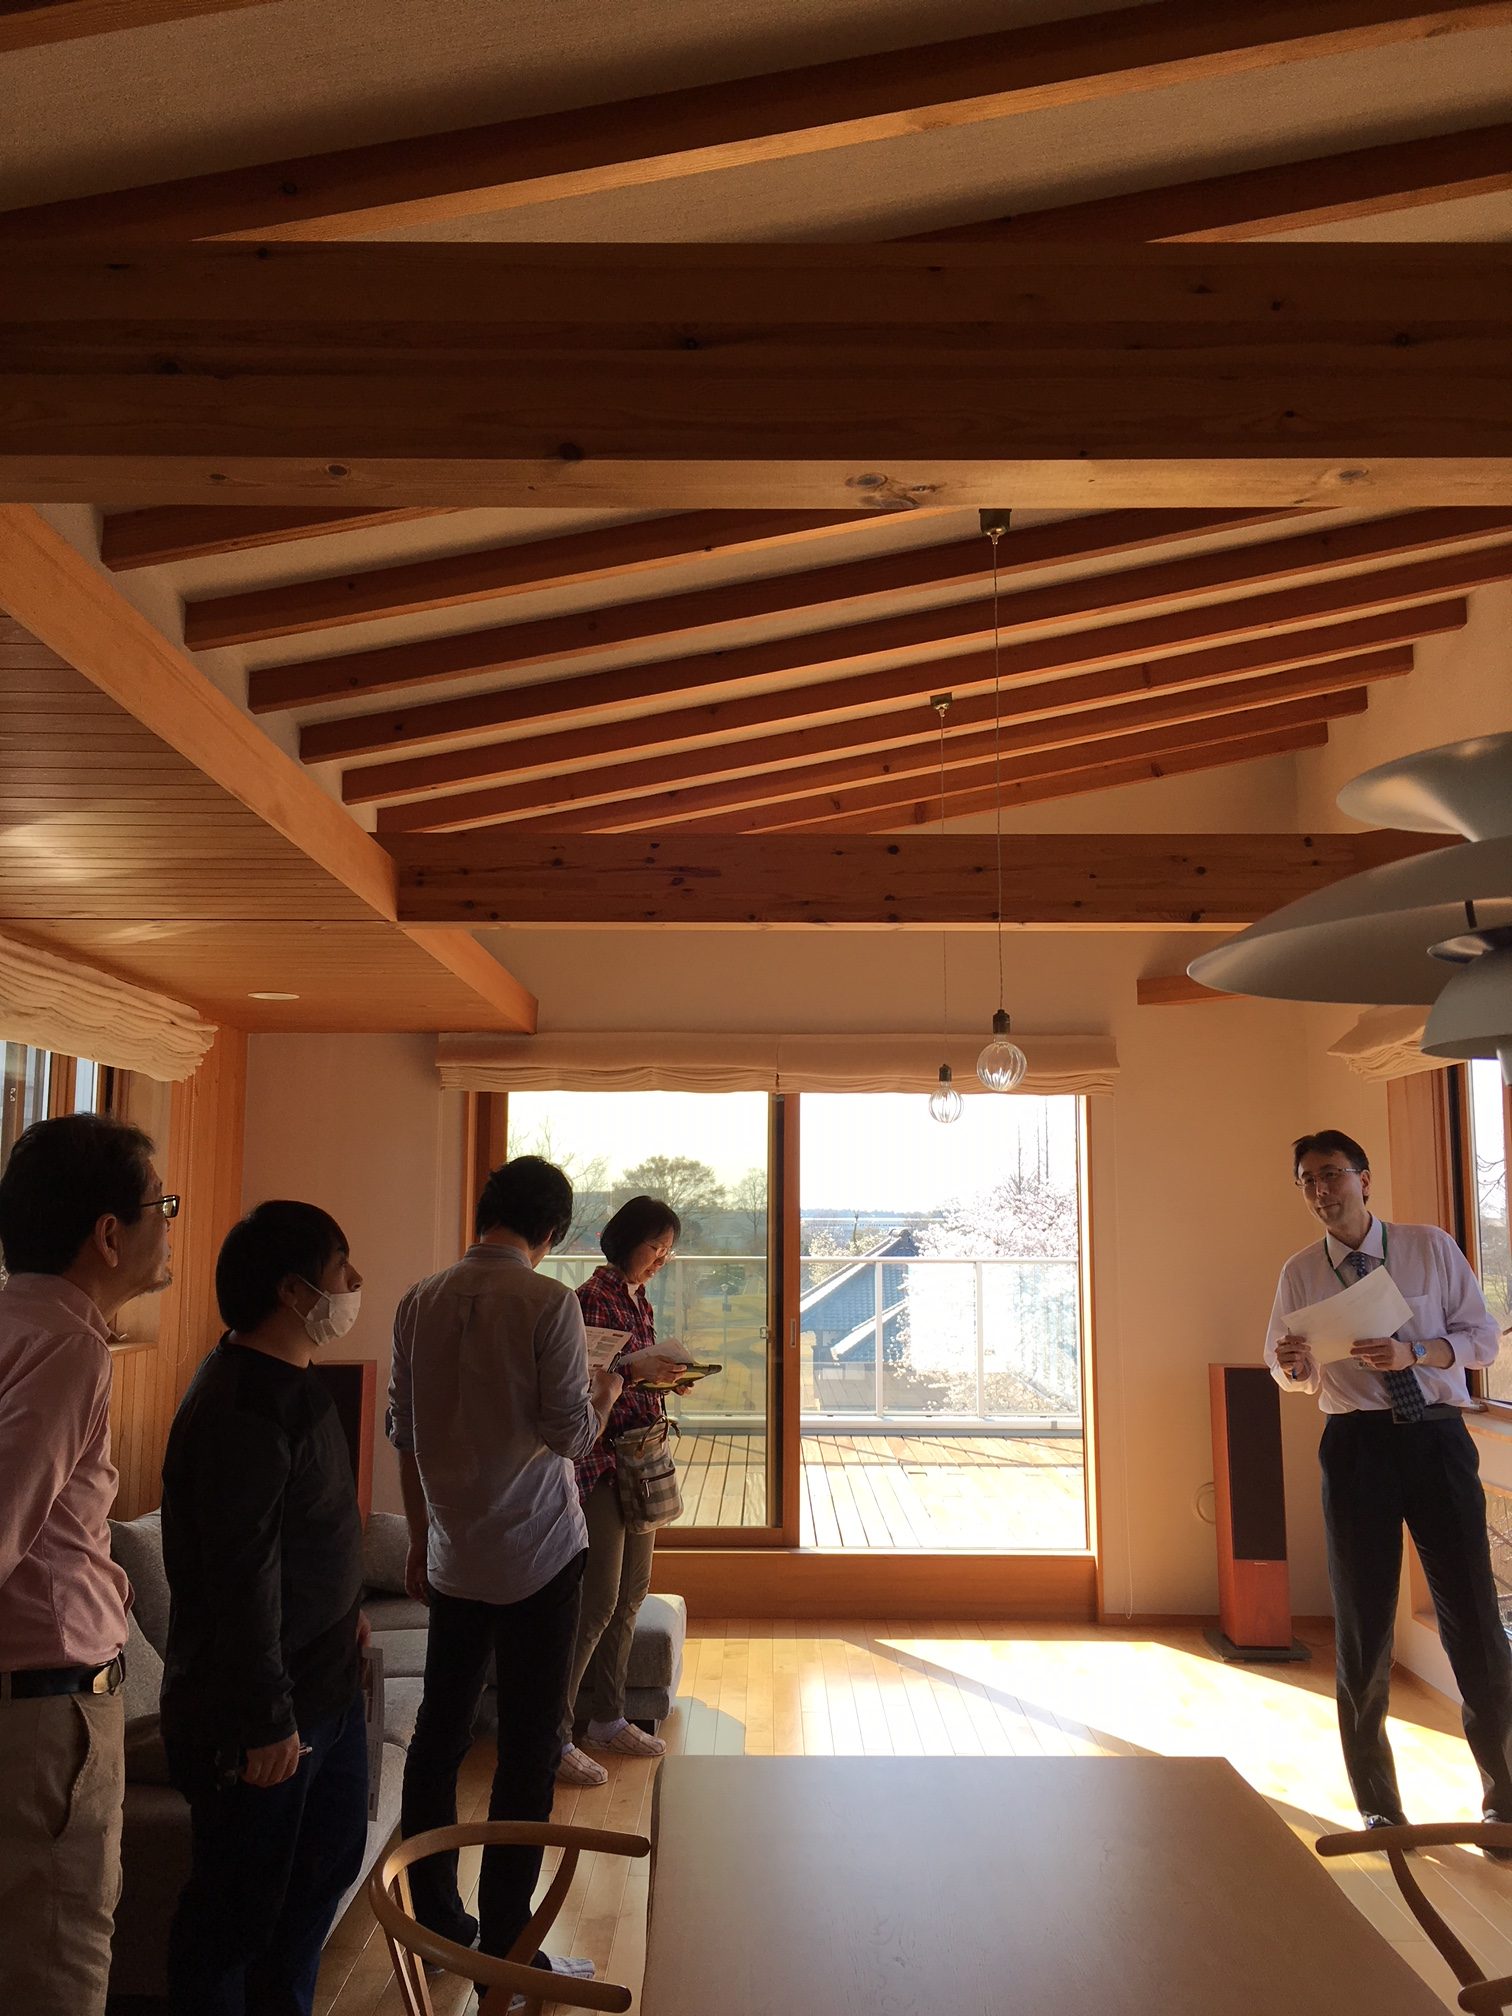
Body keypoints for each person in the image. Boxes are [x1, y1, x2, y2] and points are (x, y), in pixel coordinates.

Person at [389, 1155, 622, 1987]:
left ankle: (437, 1928)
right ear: (551, 1230)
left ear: (485, 1211)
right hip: (538, 1553)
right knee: (527, 1749)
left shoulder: (419, 1299)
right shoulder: (549, 1302)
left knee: (438, 1739)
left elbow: (406, 1434)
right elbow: (570, 1437)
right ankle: (507, 1951)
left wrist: (419, 1540)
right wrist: (607, 1388)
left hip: (453, 1553)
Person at [1266, 1128, 1512, 1834]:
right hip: (1356, 1448)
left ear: (1364, 1179)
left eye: (1332, 1174)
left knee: (1474, 1618)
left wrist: (1416, 1352)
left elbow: (1482, 1339)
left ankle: (1505, 1799)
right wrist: (1293, 1363)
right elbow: (1287, 1369)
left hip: (1436, 1438)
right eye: (1308, 1180)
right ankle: (1379, 1806)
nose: (1321, 1190)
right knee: (1362, 1626)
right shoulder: (1299, 1273)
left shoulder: (1428, 1247)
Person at [159, 1200, 369, 2016]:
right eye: (341, 1268)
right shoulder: (240, 1407)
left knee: (320, 1876)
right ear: (292, 1290)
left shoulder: (295, 1383)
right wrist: (266, 1719)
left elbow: (310, 1532)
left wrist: (347, 1610)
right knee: (235, 1918)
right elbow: (239, 1577)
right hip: (263, 1716)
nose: (354, 1282)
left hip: (327, 1686)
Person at [0, 1112, 175, 2016]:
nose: (168, 1225)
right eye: (161, 1207)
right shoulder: (69, 1346)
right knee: (55, 1969)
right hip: (47, 1717)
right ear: (109, 1235)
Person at [557, 1195, 690, 1788]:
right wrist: (638, 1373)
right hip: (603, 1463)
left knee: (632, 1595)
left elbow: (629, 1377)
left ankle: (608, 1718)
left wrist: (666, 1380)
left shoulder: (637, 1298)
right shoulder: (591, 1298)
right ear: (625, 1240)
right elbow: (587, 1385)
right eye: (654, 1246)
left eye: (667, 1251)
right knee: (597, 1604)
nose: (660, 1259)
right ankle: (554, 1733)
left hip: (640, 1458)